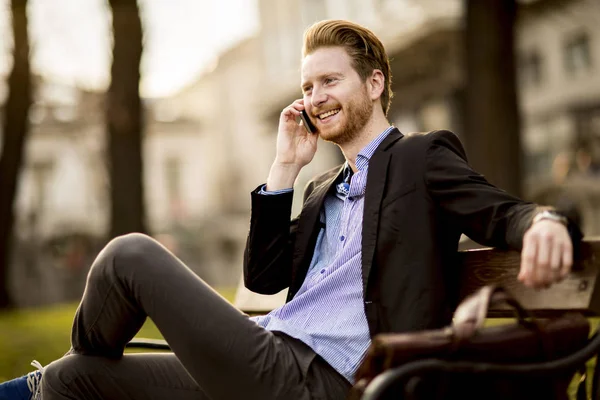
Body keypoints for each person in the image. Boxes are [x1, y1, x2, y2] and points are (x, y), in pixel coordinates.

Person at [0, 19, 581, 400]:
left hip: (326, 379)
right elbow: (264, 277)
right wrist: (284, 170)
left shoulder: (421, 158)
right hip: (270, 356)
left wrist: (546, 222)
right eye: (307, 87)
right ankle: (44, 382)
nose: (315, 97)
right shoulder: (324, 186)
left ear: (375, 83)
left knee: (129, 255)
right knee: (74, 381)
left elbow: (502, 212)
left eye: (330, 80)